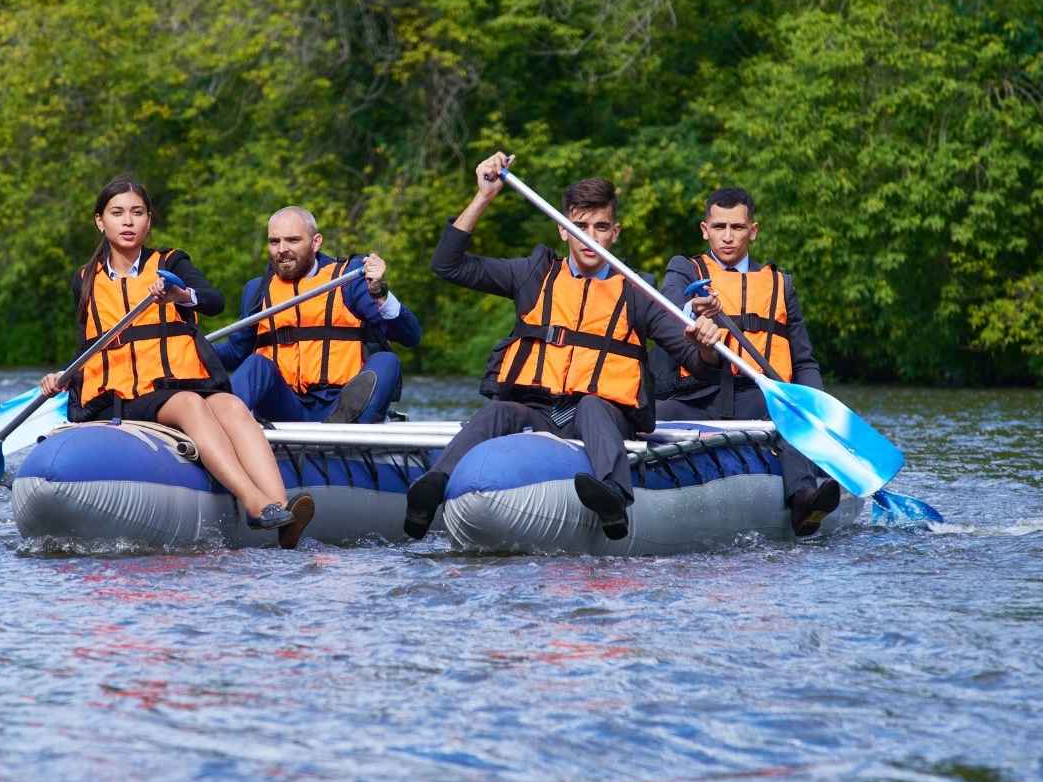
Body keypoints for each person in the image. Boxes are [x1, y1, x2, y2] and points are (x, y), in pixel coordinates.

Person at [403, 152, 722, 541]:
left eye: (600, 227)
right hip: (540, 410)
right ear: (562, 230)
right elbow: (447, 265)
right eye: (580, 225)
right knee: (499, 410)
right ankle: (432, 489)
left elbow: (698, 362)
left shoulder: (636, 292)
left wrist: (705, 344)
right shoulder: (533, 275)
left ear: (615, 233)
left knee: (591, 404)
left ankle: (614, 496)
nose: (590, 236)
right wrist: (483, 197)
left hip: (603, 416)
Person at [40, 175, 313, 548]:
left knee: (232, 406)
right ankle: (254, 503)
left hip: (179, 381)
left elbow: (213, 301)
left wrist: (179, 294)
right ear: (100, 221)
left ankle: (282, 511)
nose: (128, 221)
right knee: (189, 405)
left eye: (137, 213)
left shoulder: (171, 263)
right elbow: (89, 344)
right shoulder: (86, 279)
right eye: (117, 213)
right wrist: (62, 376)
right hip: (123, 394)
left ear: (149, 220)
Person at [651, 186, 840, 536]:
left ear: (753, 230)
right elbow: (670, 304)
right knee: (647, 416)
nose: (727, 237)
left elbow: (804, 360)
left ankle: (804, 501)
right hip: (698, 396)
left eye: (736, 228)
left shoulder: (781, 285)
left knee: (792, 419)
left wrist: (814, 405)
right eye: (719, 227)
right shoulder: (685, 269)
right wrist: (693, 309)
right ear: (704, 229)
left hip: (759, 396)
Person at [214, 206, 421, 424]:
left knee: (387, 362)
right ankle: (217, 429)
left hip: (342, 404)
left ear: (316, 242)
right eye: (274, 241)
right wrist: (189, 344)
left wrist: (380, 293)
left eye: (292, 240)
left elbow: (409, 336)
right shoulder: (257, 290)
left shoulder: (349, 280)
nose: (281, 249)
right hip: (285, 406)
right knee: (256, 364)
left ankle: (343, 435)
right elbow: (235, 352)